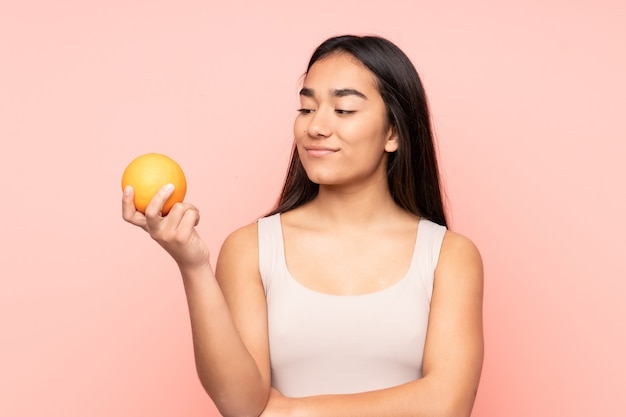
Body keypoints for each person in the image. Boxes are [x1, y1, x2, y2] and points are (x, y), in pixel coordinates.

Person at [122, 34, 484, 417]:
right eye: (307, 109)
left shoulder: (448, 256)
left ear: (392, 133)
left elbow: (447, 403)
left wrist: (293, 412)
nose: (316, 127)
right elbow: (241, 404)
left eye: (343, 110)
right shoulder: (252, 248)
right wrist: (192, 265)